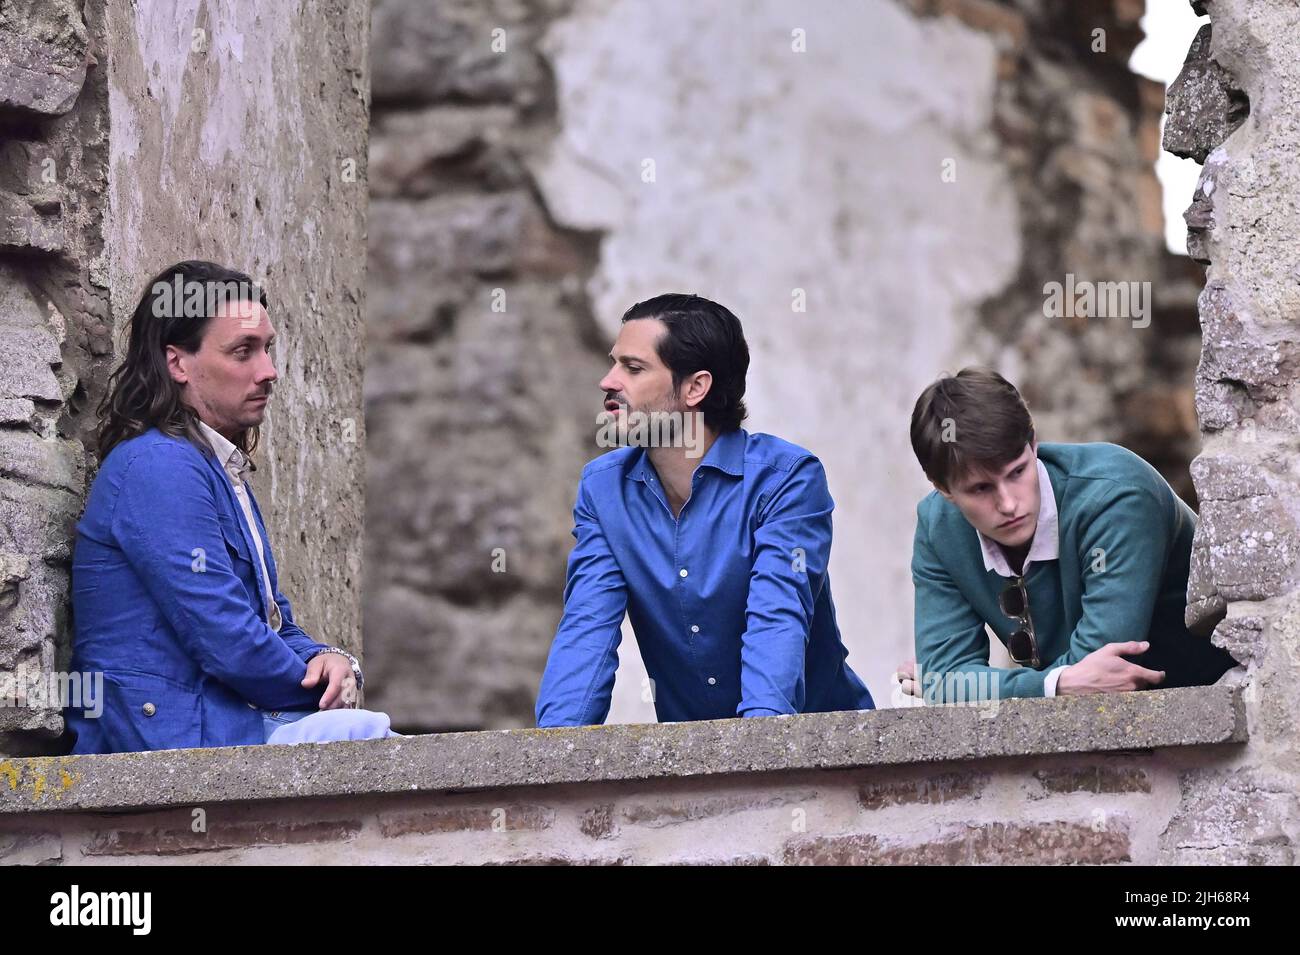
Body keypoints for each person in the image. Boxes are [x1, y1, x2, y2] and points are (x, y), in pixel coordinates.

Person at [66, 261, 398, 752]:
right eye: (243, 351)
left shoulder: (215, 466)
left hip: (215, 728)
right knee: (372, 743)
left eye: (267, 349)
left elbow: (270, 618)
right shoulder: (157, 466)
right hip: (161, 744)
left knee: (376, 747)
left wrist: (330, 659)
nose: (269, 372)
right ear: (177, 363)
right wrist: (321, 693)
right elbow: (225, 636)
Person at [536, 293, 874, 726]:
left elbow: (777, 617)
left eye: (633, 368)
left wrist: (755, 750)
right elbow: (587, 628)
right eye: (614, 363)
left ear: (696, 387)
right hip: (695, 766)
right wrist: (556, 758)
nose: (608, 381)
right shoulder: (604, 489)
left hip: (824, 753)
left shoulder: (785, 479)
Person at [900, 367, 1237, 704]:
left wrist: (971, 686)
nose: (1008, 503)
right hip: (1086, 736)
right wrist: (1054, 684)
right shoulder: (938, 527)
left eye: (1017, 471)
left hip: (1216, 705)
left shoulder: (1116, 496)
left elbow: (1103, 672)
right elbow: (945, 679)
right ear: (943, 488)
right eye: (981, 488)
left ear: (1033, 444)